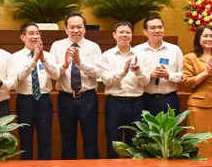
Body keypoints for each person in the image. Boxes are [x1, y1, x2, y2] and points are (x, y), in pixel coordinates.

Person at [50, 12, 101, 159]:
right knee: (67, 140)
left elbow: (99, 73)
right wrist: (65, 64)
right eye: (72, 27)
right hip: (66, 98)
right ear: (66, 30)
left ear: (85, 29)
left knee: (91, 139)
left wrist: (81, 64)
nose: (76, 30)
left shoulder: (93, 47)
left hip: (88, 98)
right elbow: (53, 73)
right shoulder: (57, 46)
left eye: (79, 27)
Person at [99, 21, 150, 159]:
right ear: (114, 35)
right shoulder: (107, 55)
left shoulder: (141, 56)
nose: (124, 35)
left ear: (132, 35)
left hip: (136, 103)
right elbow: (106, 80)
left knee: (135, 142)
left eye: (128, 32)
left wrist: (138, 70)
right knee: (113, 141)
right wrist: (123, 72)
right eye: (121, 32)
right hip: (114, 103)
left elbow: (145, 81)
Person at [6, 22, 57, 160]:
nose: (35, 36)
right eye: (31, 33)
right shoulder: (14, 57)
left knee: (45, 138)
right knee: (25, 138)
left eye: (37, 33)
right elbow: (19, 77)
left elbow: (56, 75)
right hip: (25, 101)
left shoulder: (48, 55)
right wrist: (34, 61)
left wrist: (43, 60)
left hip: (44, 100)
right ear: (23, 37)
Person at [181, 25, 212, 157]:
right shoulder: (190, 57)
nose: (209, 39)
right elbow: (187, 82)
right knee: (199, 141)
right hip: (198, 106)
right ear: (198, 38)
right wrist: (206, 73)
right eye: (205, 36)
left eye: (211, 36)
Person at [135, 15, 184, 115]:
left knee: (170, 131)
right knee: (146, 130)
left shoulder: (175, 50)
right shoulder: (137, 51)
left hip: (169, 99)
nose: (157, 30)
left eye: (160, 27)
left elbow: (183, 76)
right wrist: (150, 76)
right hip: (145, 99)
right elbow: (133, 78)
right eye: (153, 28)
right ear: (145, 31)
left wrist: (168, 75)